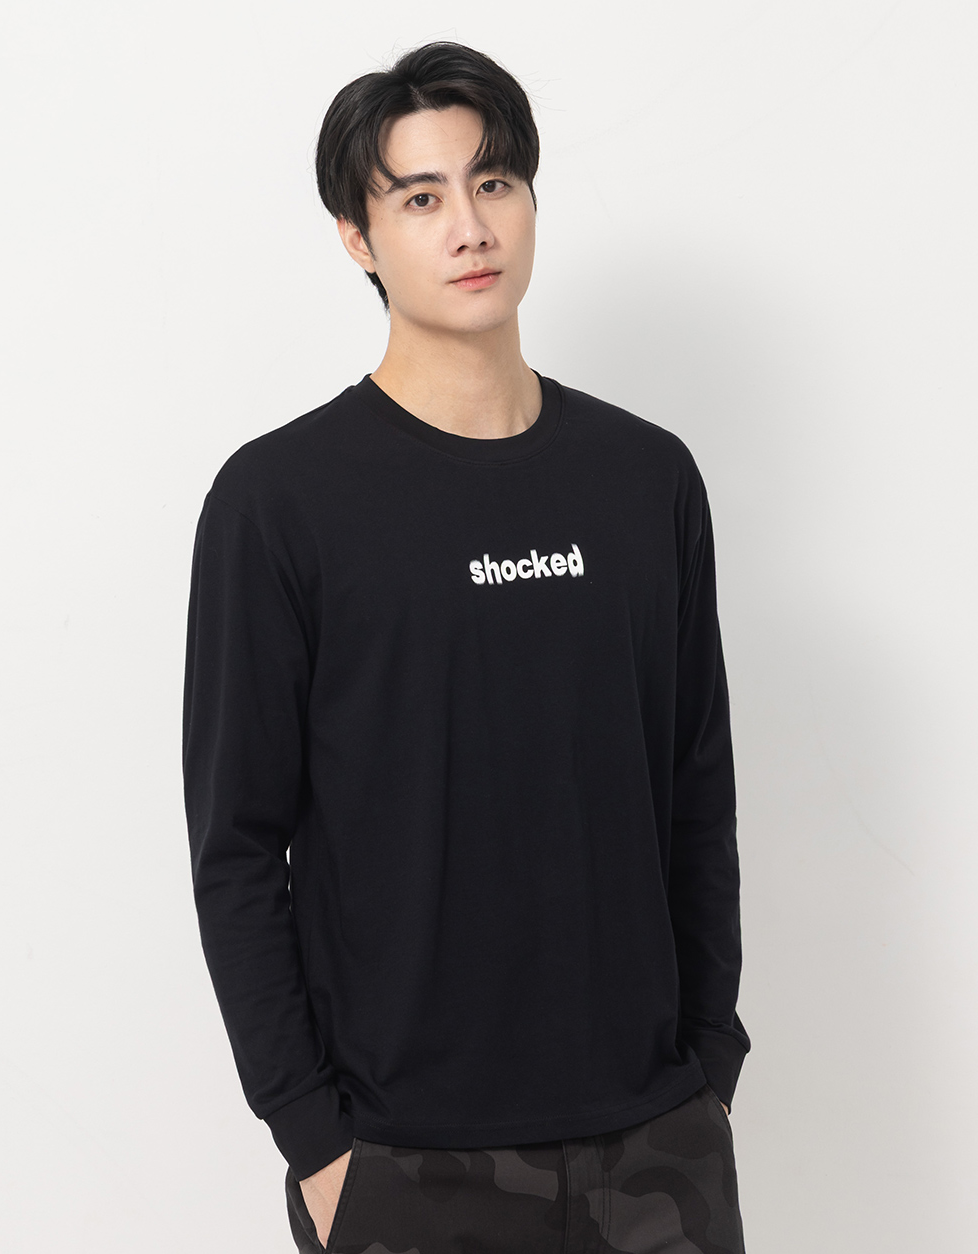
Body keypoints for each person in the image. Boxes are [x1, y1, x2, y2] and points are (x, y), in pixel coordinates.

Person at [182, 40, 751, 1254]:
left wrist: (710, 1061)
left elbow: (696, 791)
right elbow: (236, 846)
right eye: (420, 197)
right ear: (357, 236)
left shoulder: (644, 479)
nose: (469, 226)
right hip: (400, 1157)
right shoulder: (281, 502)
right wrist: (315, 1141)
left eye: (494, 183)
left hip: (659, 1139)